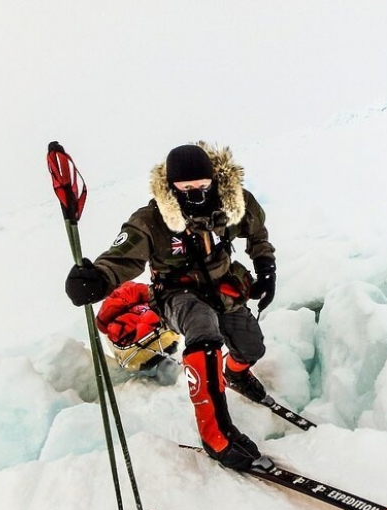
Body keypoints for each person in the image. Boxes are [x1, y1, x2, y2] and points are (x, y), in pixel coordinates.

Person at [64, 142, 276, 470]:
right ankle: (216, 435)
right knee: (202, 327)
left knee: (251, 346)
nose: (196, 193)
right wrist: (98, 278)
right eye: (186, 188)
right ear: (172, 187)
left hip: (223, 288)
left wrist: (265, 267)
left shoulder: (232, 204)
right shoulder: (151, 220)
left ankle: (235, 374)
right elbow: (124, 255)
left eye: (203, 186)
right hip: (177, 295)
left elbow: (257, 232)